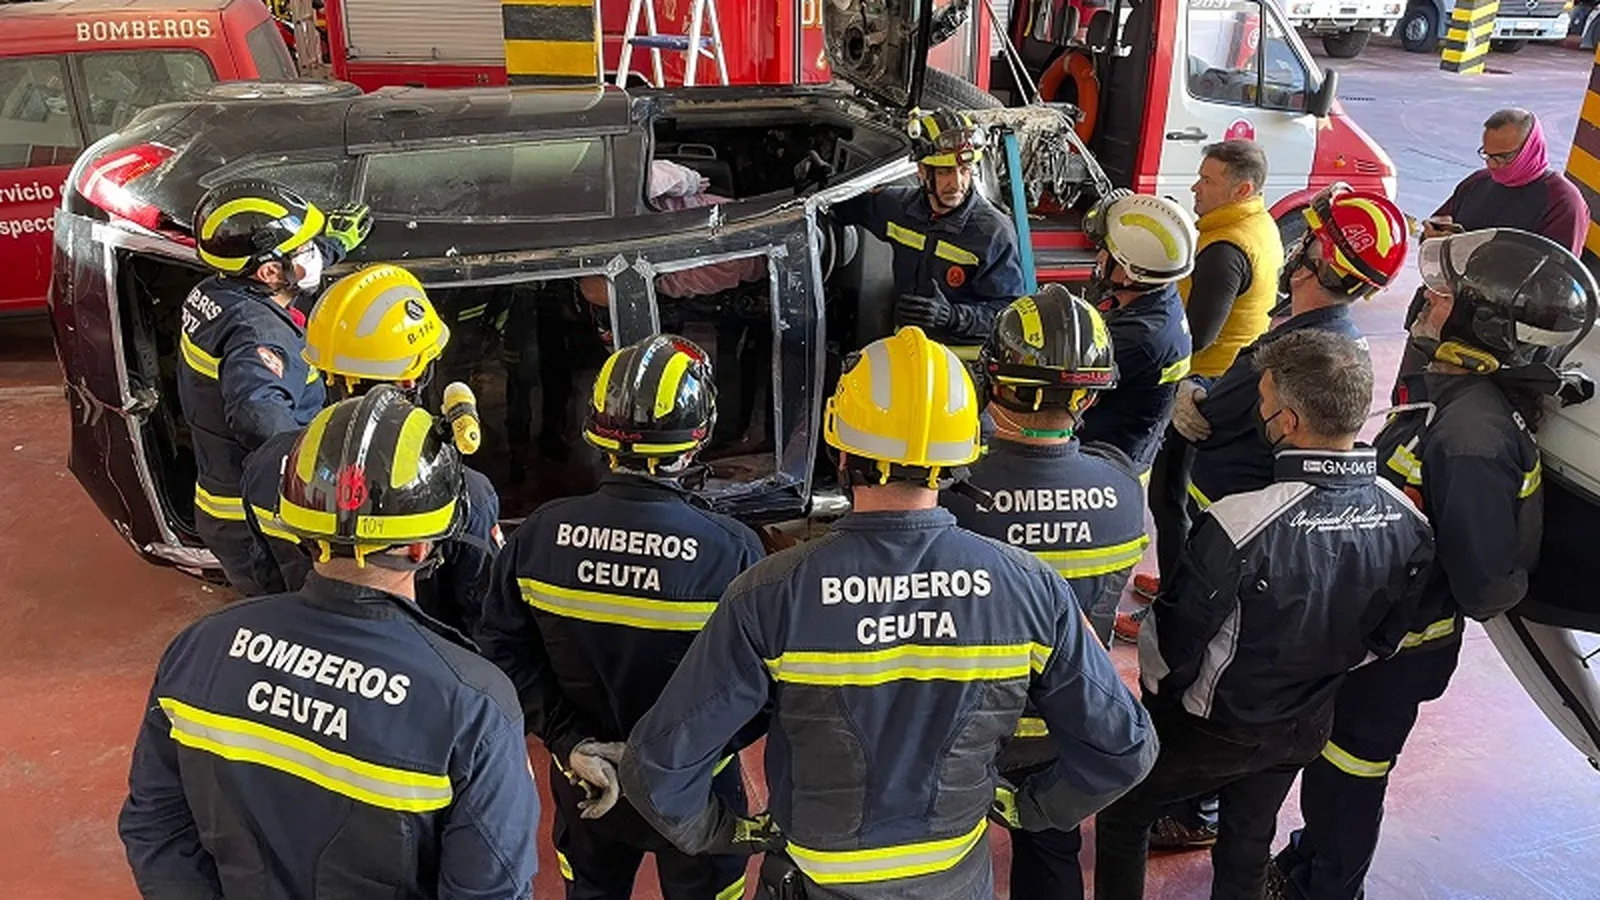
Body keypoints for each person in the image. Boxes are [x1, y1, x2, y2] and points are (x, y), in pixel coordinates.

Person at [617, 326, 1158, 900]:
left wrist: (729, 832)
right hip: (955, 881)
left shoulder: (769, 595)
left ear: (841, 450)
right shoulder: (1030, 588)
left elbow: (657, 768)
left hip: (815, 880)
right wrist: (1033, 807)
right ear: (959, 458)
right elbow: (1124, 748)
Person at [1273, 228, 1599, 900]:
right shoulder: (1453, 397)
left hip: (1397, 652)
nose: (1428, 299)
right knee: (1332, 770)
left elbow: (1485, 584)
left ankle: (1325, 889)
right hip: (1374, 639)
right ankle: (1309, 862)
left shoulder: (1472, 436)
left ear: (1483, 323)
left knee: (1350, 776)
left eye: (1447, 296)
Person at [119, 386, 540, 899]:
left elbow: (157, 827)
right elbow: (490, 890)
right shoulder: (473, 705)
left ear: (299, 525)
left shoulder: (201, 648)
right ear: (421, 545)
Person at [1114, 184, 1409, 850]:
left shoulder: (1300, 350)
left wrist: (1197, 394)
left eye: (1310, 238)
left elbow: (1217, 413)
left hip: (1233, 539)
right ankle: (1210, 815)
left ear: (1315, 259)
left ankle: (1194, 812)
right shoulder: (1324, 338)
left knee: (1207, 679)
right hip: (1257, 570)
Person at [1093, 329, 1435, 900]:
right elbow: (1387, 636)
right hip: (1307, 724)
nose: (1260, 412)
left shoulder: (1237, 523)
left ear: (1289, 422)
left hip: (1214, 727)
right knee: (1249, 839)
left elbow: (1172, 648)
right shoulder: (1408, 519)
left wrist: (1162, 709)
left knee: (1125, 815)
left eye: (1264, 402)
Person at [476, 334, 765, 900]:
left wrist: (570, 742)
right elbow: (762, 689)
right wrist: (672, 757)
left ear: (598, 433)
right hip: (696, 790)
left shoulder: (538, 536)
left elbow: (503, 655)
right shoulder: (731, 551)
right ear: (698, 436)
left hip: (586, 782)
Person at [940, 287, 1147, 900]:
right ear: (1088, 396)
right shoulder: (1122, 490)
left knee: (945, 850)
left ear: (994, 383)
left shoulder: (953, 494)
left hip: (966, 724)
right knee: (1053, 848)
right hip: (1066, 722)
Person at [239, 264, 503, 637]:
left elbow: (266, 578)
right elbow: (484, 614)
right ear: (412, 377)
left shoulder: (269, 465)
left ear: (324, 369)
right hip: (419, 663)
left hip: (308, 647)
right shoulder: (465, 492)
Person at [178, 178, 371, 595]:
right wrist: (328, 478)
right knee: (297, 611)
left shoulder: (214, 292)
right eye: (306, 249)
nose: (313, 254)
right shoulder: (259, 335)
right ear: (268, 272)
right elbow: (259, 419)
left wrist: (333, 245)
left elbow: (286, 274)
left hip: (222, 498)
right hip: (256, 520)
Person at [1142, 139, 1283, 611]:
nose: (1195, 188)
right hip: (1233, 382)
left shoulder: (1226, 249)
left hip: (1202, 390)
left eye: (1207, 180)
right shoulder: (1258, 224)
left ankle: (1172, 603)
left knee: (1170, 498)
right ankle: (1177, 581)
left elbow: (1198, 335)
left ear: (1241, 189)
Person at [1397, 108, 1589, 379]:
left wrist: (1477, 257)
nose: (1494, 165)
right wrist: (1434, 237)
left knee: (1466, 404)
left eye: (1503, 157)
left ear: (1531, 147)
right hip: (1440, 320)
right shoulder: (1477, 184)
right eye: (1487, 155)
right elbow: (1436, 233)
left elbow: (1556, 290)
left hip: (1498, 340)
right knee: (1412, 393)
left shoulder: (1563, 203)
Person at [829, 109, 1027, 353]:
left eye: (964, 170)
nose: (957, 184)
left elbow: (1010, 316)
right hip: (908, 351)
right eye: (945, 172)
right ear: (922, 171)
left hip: (964, 361)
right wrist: (823, 180)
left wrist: (953, 317)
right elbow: (844, 205)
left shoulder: (993, 232)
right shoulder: (899, 208)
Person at [1075, 192, 1196, 472]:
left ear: (1129, 274)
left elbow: (1067, 391)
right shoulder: (1157, 296)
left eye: (1106, 249)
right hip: (1122, 448)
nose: (1099, 256)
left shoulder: (1140, 337)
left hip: (1107, 464)